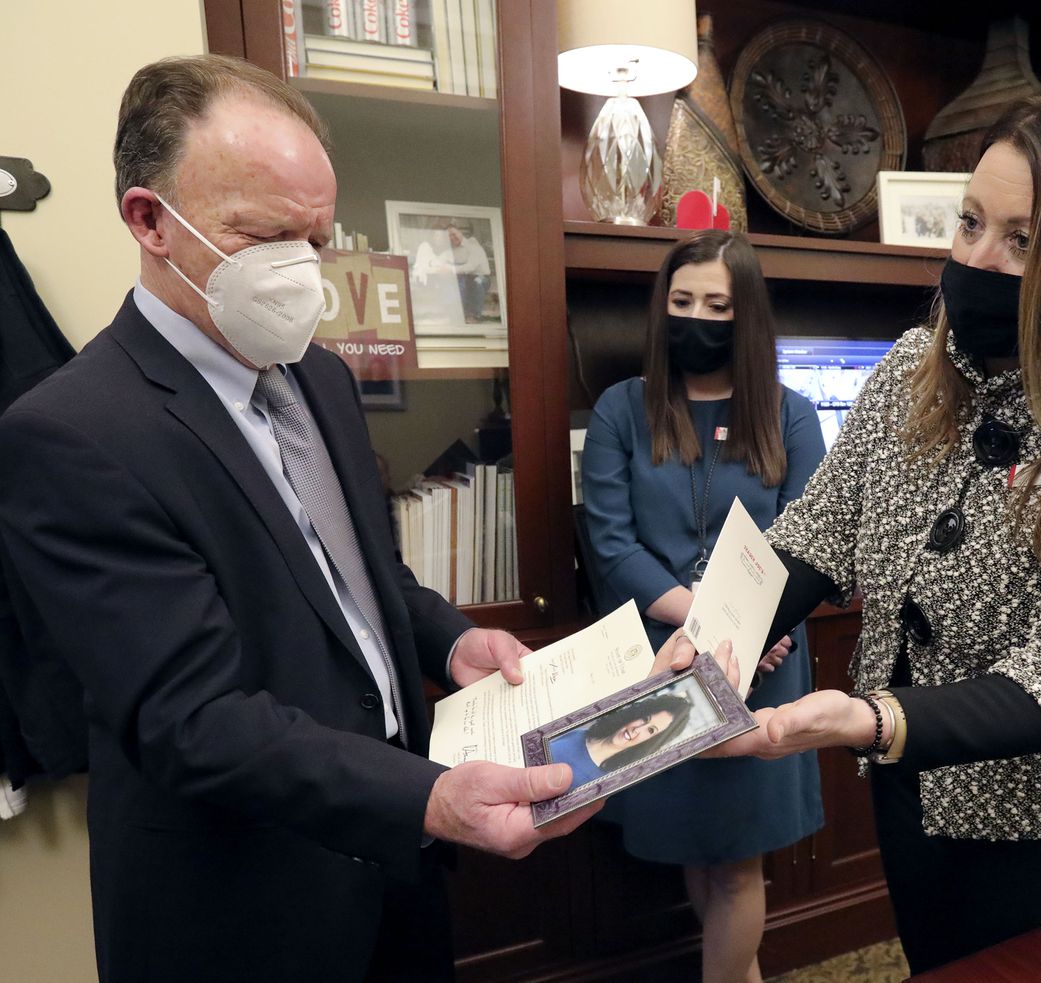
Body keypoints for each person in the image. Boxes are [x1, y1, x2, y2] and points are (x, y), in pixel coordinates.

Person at [0, 54, 638, 983]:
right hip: (240, 904)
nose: (301, 271)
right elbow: (193, 717)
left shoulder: (323, 377)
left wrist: (454, 645)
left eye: (317, 235)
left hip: (394, 864)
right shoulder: (70, 433)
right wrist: (430, 798)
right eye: (263, 238)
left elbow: (364, 581)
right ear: (150, 221)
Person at [721, 76, 1041, 973]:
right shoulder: (921, 362)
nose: (976, 258)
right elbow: (819, 528)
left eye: (1024, 240)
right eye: (969, 223)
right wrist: (717, 624)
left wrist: (870, 718)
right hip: (913, 791)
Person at [582, 229, 825, 983]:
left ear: (745, 314)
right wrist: (710, 621)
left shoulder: (790, 415)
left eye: (717, 304)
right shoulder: (622, 409)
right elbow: (610, 543)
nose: (696, 317)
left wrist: (756, 630)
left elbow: (812, 542)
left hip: (765, 662)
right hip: (667, 659)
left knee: (737, 864)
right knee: (696, 847)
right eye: (682, 300)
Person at [548, 691, 694, 787]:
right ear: (636, 714)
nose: (637, 730)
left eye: (650, 730)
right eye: (644, 718)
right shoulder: (581, 733)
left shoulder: (605, 782)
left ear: (650, 741)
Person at [444, 224, 492, 322]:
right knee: (452, 283)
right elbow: (444, 260)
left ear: (460, 232)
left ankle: (474, 316)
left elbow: (471, 267)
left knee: (477, 282)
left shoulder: (472, 245)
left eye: (454, 234)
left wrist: (451, 269)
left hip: (481, 277)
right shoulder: (451, 250)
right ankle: (456, 313)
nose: (452, 238)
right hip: (464, 278)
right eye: (449, 236)